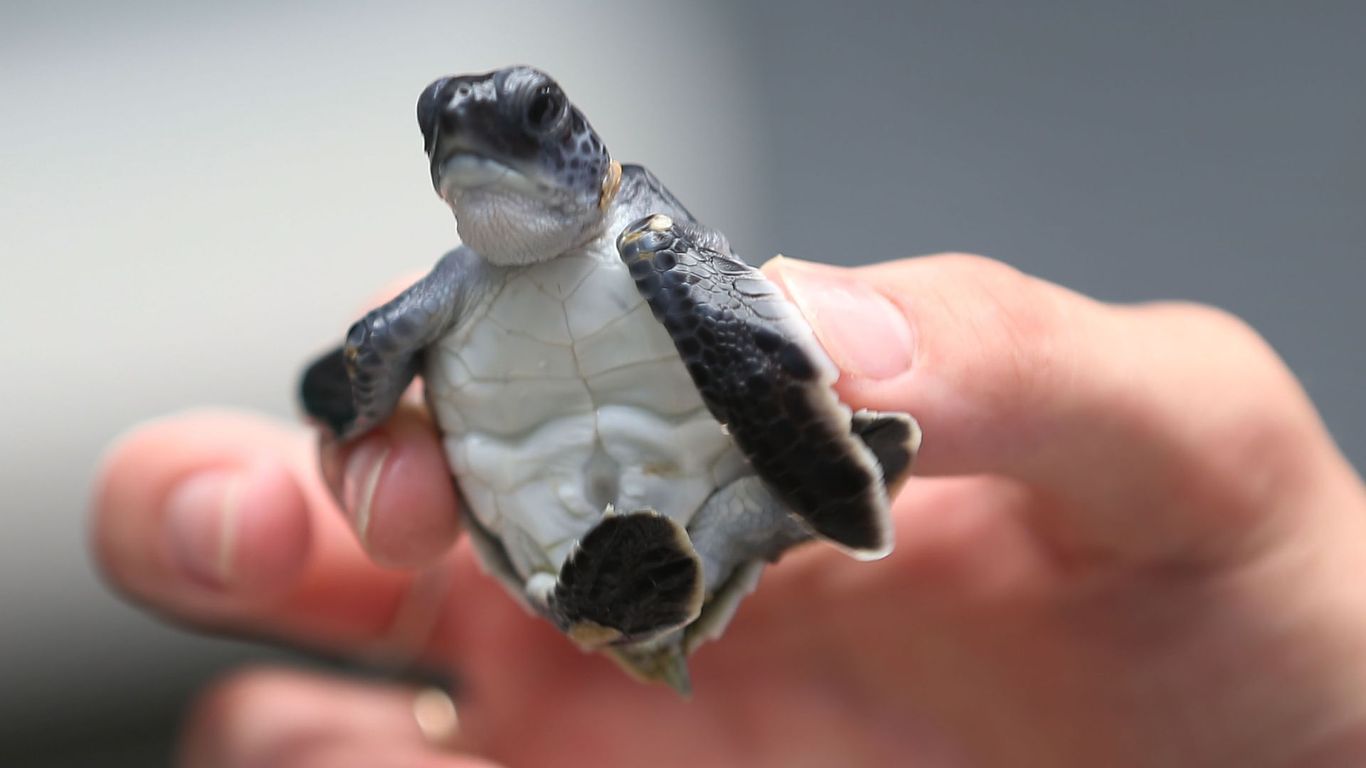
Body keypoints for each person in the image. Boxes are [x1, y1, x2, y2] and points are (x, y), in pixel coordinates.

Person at [92, 254, 1366, 767]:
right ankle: (622, 591)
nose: (489, 150)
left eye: (530, 124)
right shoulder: (447, 291)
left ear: (579, 148)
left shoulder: (643, 232)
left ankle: (678, 564)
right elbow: (352, 382)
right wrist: (351, 397)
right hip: (548, 548)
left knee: (763, 465)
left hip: (707, 511)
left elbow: (746, 340)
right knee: (368, 402)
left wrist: (826, 469)